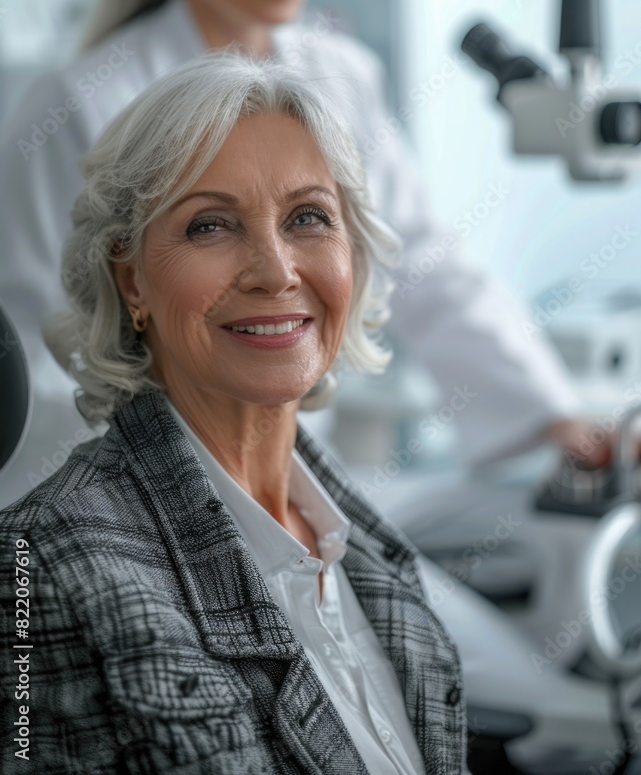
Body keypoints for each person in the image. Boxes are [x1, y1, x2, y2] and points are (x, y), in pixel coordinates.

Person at [0, 0, 641, 507]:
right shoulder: (81, 106)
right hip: (141, 507)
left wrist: (552, 419)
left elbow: (425, 269)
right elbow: (39, 361)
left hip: (298, 489)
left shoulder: (336, 75)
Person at [0, 53, 467, 774]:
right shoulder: (44, 561)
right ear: (132, 281)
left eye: (308, 217)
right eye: (210, 226)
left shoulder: (367, 548)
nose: (276, 271)